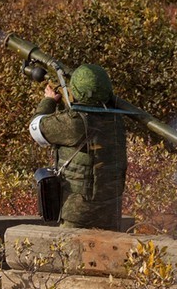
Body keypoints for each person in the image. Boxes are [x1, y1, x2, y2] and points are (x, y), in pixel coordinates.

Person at [28, 64, 127, 231]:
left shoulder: (74, 123)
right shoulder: (117, 120)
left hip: (77, 214)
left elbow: (36, 128)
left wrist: (49, 100)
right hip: (110, 211)